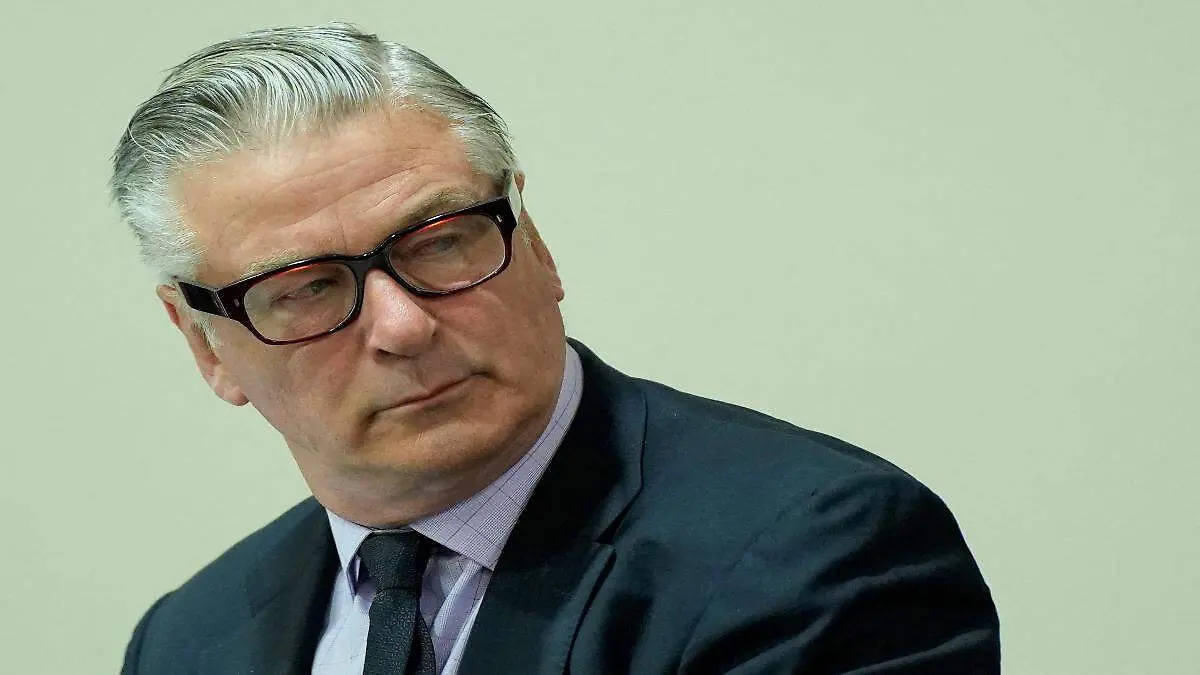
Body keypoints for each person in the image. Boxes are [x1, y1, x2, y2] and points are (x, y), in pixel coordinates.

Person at [112, 23, 1000, 675]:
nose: (403, 326)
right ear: (205, 345)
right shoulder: (187, 640)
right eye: (306, 289)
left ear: (534, 242)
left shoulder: (813, 555)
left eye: (441, 242)